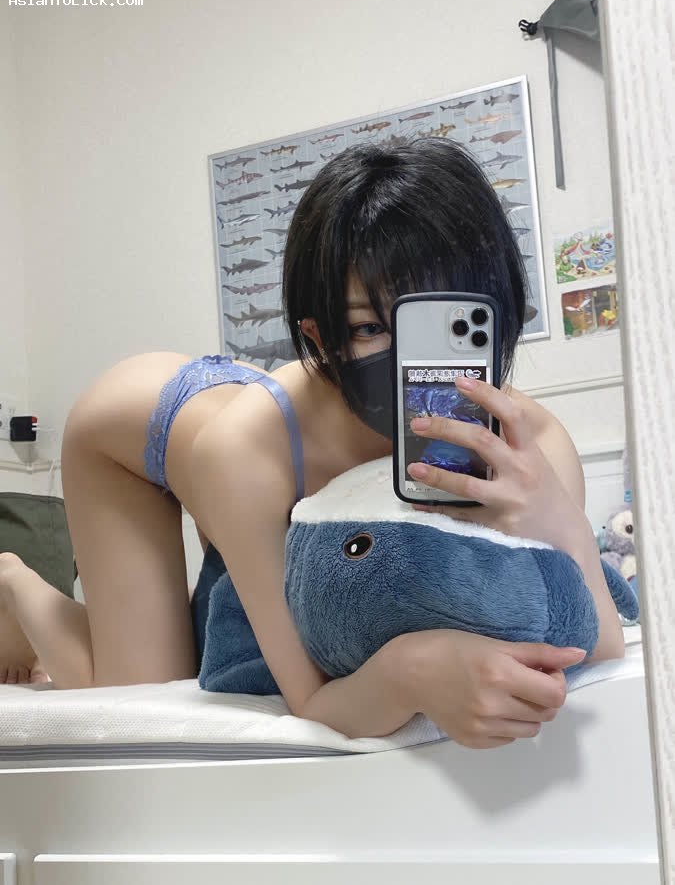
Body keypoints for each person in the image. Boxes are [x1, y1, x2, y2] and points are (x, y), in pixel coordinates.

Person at [0, 138, 624, 749]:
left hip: (279, 433)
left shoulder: (537, 440)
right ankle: (12, 582)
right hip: (137, 430)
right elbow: (312, 699)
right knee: (143, 685)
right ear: (320, 337)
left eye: (440, 321)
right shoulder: (242, 452)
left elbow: (593, 640)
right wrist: (412, 669)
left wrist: (559, 521)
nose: (406, 358)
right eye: (367, 327)